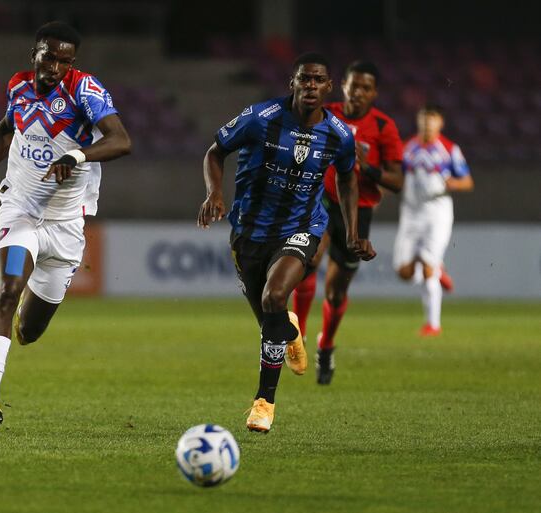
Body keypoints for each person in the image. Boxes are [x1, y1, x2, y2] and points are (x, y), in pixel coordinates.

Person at [0, 21, 131, 438]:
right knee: (7, 289)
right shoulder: (18, 85)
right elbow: (7, 128)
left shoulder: (85, 90)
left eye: (64, 61)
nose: (55, 67)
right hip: (20, 213)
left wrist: (76, 155)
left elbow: (121, 140)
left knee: (29, 331)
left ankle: (22, 313)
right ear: (34, 54)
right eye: (49, 57)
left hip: (66, 228)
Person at [198, 52, 375, 433]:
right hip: (249, 231)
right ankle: (289, 331)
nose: (310, 85)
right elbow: (215, 152)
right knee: (271, 322)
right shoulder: (260, 118)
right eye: (304, 78)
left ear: (329, 87)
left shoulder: (339, 135)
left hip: (302, 227)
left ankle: (264, 402)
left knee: (275, 295)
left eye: (318, 80)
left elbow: (347, 177)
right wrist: (214, 193)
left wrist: (352, 232)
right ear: (292, 83)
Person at [290, 60, 404, 385]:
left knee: (336, 294)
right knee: (309, 259)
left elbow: (398, 181)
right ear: (343, 86)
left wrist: (367, 168)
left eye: (366, 88)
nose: (358, 92)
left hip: (357, 212)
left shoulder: (383, 127)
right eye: (354, 86)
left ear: (374, 93)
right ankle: (298, 336)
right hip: (322, 201)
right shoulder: (326, 114)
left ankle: (326, 345)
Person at [393, 104, 473, 336]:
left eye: (432, 119)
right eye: (423, 119)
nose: (427, 124)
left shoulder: (449, 149)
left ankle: (433, 324)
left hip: (437, 213)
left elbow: (467, 181)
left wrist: (454, 183)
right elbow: (397, 176)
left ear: (440, 123)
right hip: (410, 213)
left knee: (427, 266)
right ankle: (438, 269)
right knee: (404, 272)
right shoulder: (407, 148)